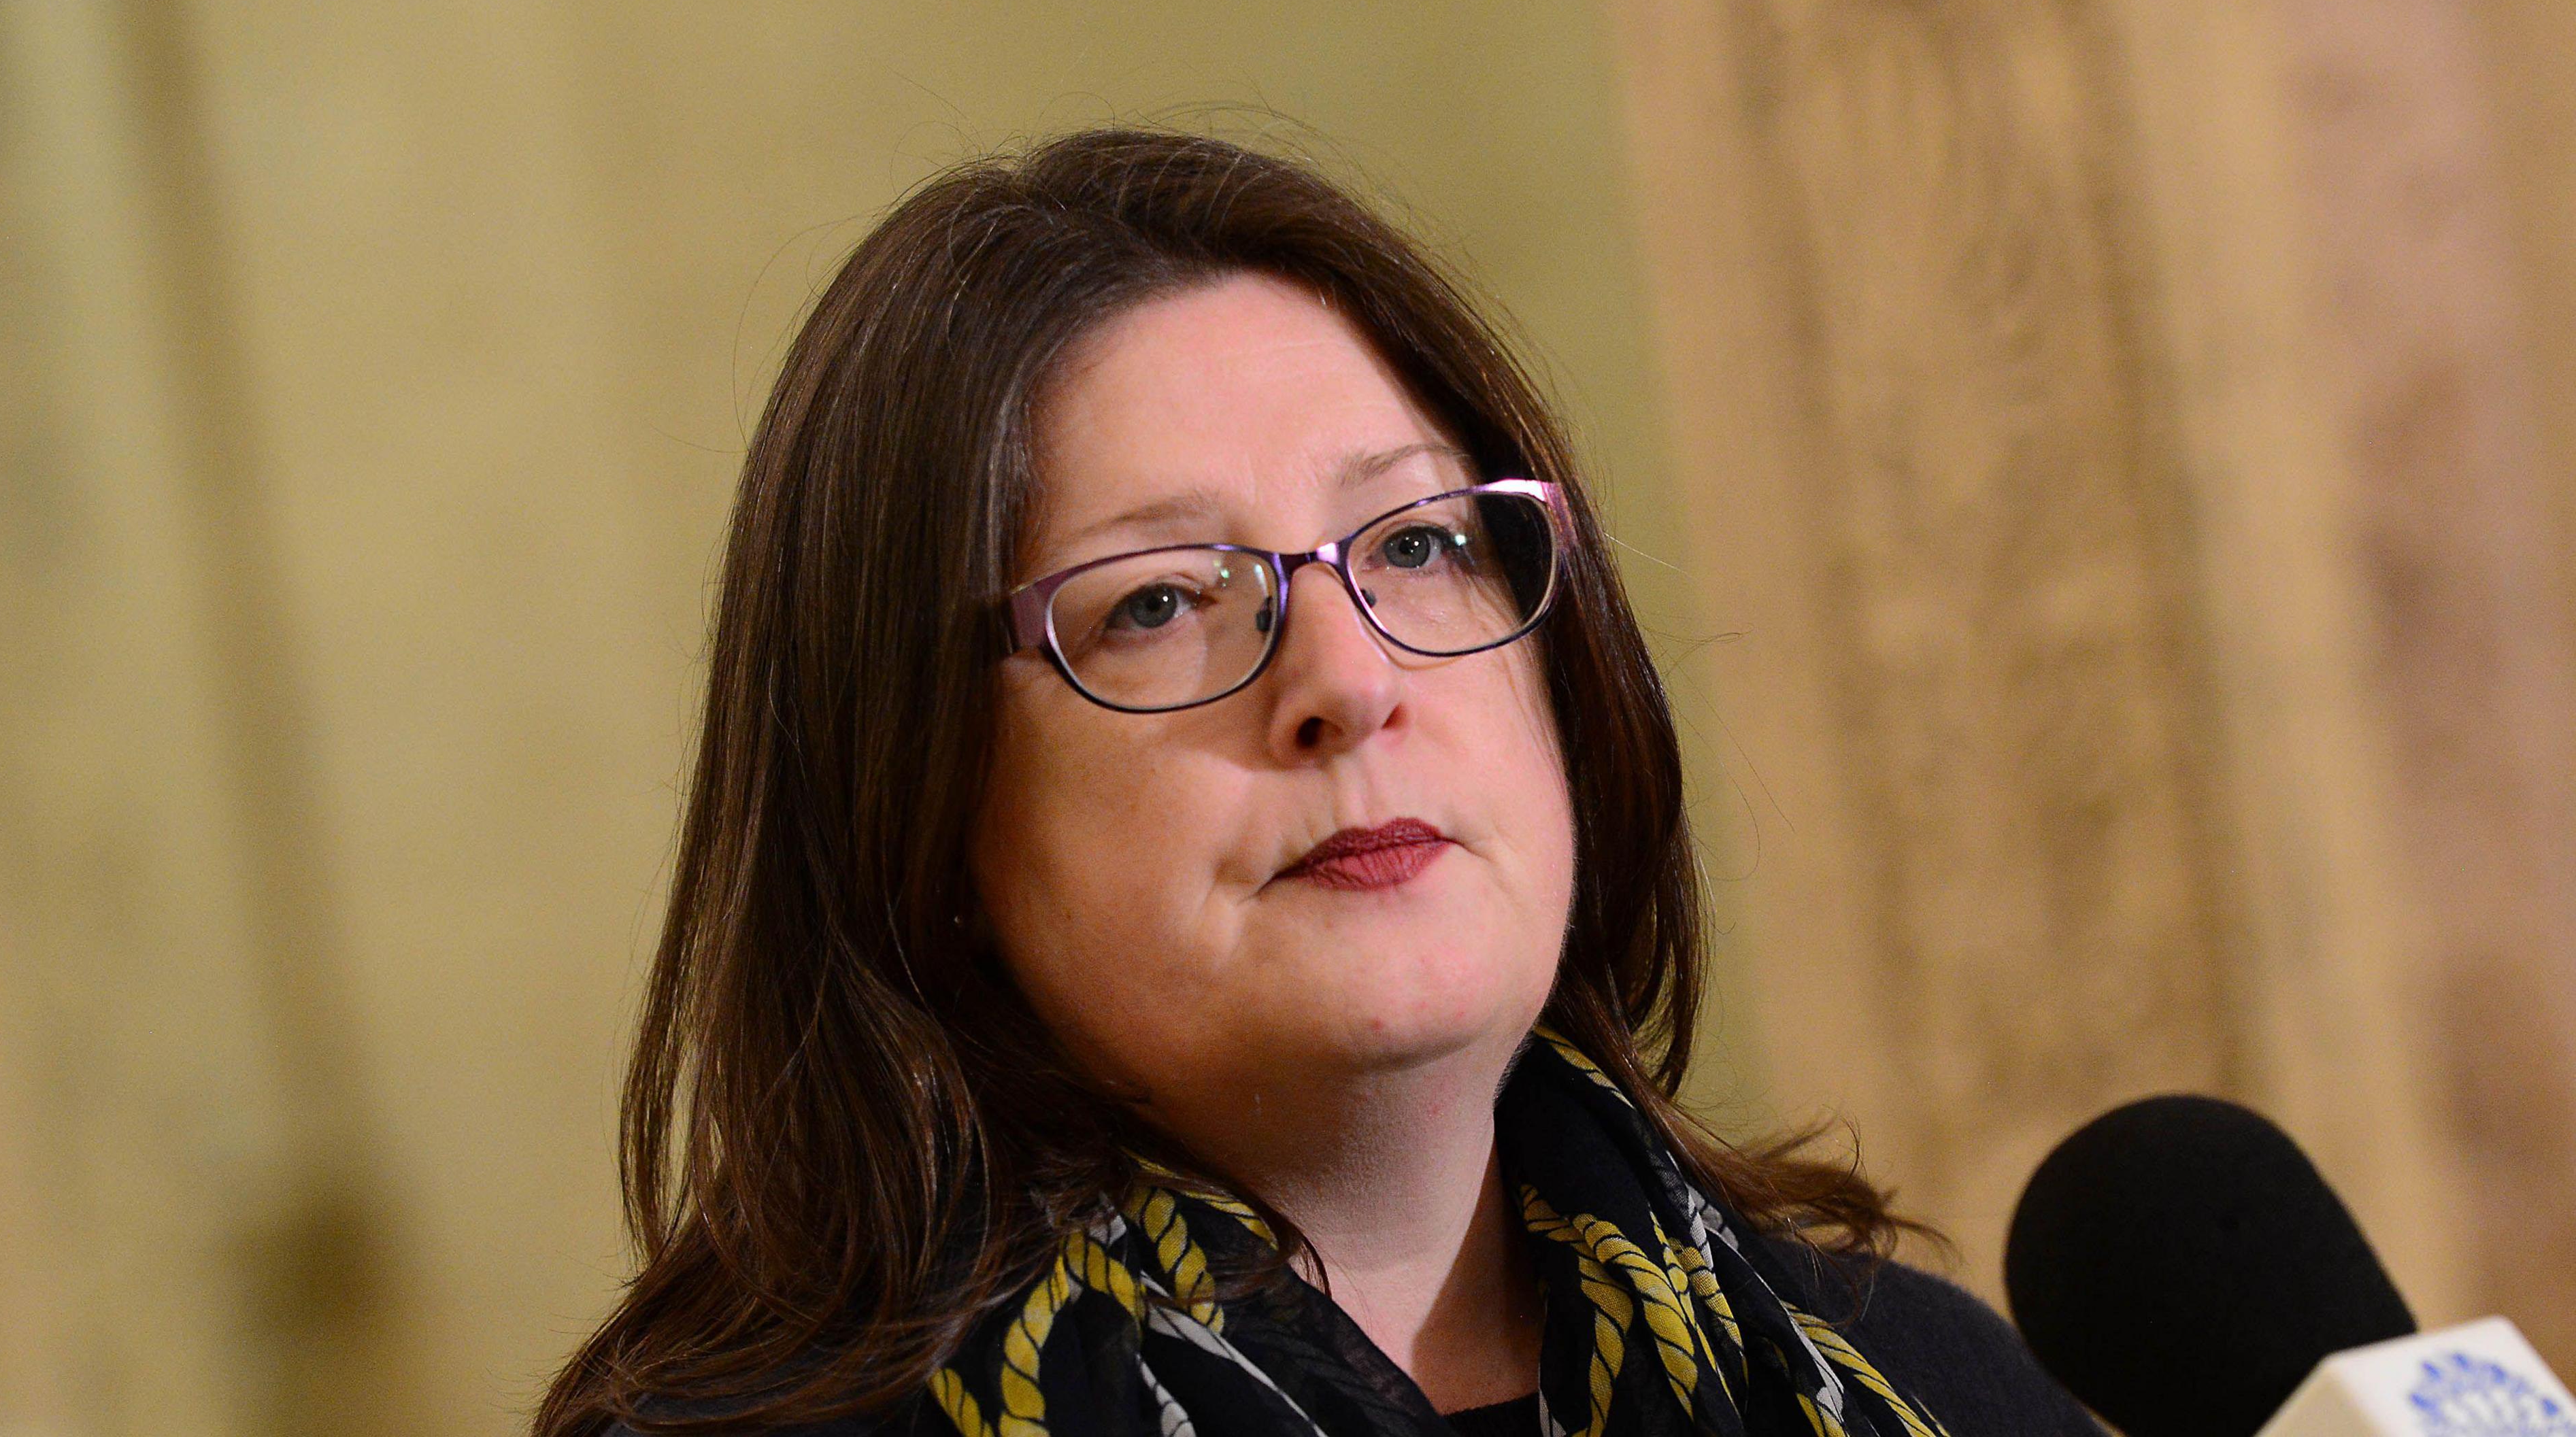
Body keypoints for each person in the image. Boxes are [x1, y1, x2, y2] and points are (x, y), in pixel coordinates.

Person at [533, 128, 2100, 1437]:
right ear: (912, 789)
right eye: (1155, 601)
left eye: (1417, 546)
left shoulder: (1918, 1385)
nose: (1348, 684)